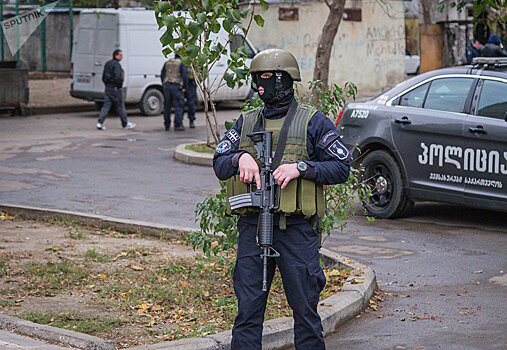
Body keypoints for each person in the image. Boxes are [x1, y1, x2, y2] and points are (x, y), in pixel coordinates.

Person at [213, 49, 350, 350]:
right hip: (253, 228)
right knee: (248, 313)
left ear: (283, 79)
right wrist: (239, 157)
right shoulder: (246, 122)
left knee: (305, 313)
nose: (259, 86)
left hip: (296, 230)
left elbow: (342, 167)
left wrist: (301, 168)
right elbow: (218, 162)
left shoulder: (313, 122)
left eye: (265, 78)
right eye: (255, 79)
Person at [97, 49, 135, 130]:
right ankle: (125, 124)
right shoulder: (117, 65)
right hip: (115, 88)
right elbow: (118, 77)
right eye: (120, 55)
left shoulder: (107, 64)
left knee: (106, 106)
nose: (122, 57)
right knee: (120, 106)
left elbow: (103, 77)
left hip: (108, 88)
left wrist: (107, 85)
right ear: (116, 55)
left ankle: (100, 122)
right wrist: (119, 86)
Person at [161, 54, 188, 131]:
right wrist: (184, 87)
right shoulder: (181, 63)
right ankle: (178, 125)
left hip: (167, 86)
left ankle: (167, 124)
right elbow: (185, 75)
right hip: (176, 86)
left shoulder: (167, 62)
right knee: (179, 106)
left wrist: (164, 84)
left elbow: (162, 74)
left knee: (167, 106)